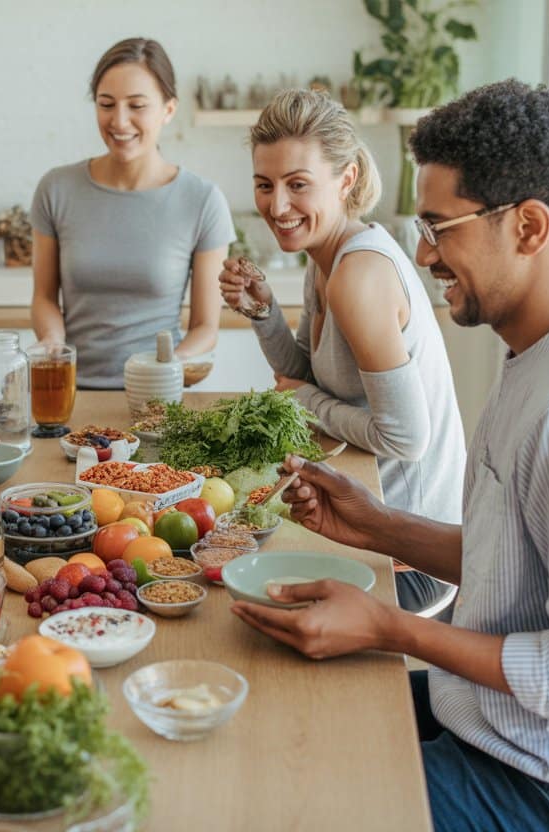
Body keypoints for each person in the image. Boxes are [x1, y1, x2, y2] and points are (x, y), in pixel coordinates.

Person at [232, 80, 549, 831]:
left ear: (529, 226)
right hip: (510, 729)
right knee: (269, 715)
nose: (422, 253)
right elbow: (528, 568)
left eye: (439, 226)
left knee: (280, 797)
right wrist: (381, 527)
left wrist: (393, 629)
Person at [219, 89, 465, 616]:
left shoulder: (359, 274)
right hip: (363, 515)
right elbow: (304, 374)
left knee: (232, 597)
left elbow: (405, 439)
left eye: (298, 185)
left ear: (346, 178)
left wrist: (305, 399)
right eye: (265, 185)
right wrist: (265, 314)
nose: (277, 206)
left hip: (409, 561)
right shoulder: (324, 258)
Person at [30, 37, 233, 389]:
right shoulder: (56, 188)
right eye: (106, 104)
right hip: (69, 393)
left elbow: (205, 327)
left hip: (157, 396)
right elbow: (45, 297)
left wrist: (167, 368)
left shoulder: (202, 200)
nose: (119, 121)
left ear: (169, 109)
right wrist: (52, 343)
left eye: (137, 105)